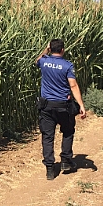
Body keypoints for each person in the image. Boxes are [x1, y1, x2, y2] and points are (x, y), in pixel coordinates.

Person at [35, 39, 87, 180]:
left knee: (47, 136)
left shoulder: (44, 61)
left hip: (46, 106)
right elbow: (73, 86)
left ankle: (50, 169)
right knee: (68, 131)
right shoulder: (67, 65)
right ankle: (65, 161)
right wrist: (81, 105)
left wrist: (46, 50)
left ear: (50, 49)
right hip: (63, 106)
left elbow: (36, 61)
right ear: (63, 50)